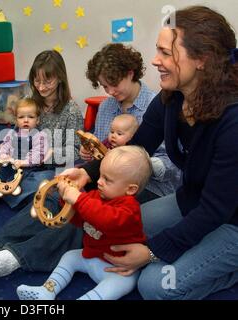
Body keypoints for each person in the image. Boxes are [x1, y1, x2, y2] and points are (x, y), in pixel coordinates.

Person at [64, 6, 238, 299]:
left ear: (202, 59)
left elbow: (216, 209)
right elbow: (136, 149)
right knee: (122, 229)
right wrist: (87, 172)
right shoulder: (171, 98)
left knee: (154, 284)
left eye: (165, 53)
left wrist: (154, 251)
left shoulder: (233, 120)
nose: (155, 60)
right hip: (192, 201)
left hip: (231, 220)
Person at [0, 50, 84, 277]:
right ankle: (11, 190)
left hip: (44, 168)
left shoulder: (71, 110)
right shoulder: (32, 100)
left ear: (59, 77)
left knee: (49, 186)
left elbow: (75, 150)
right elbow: (15, 131)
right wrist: (7, 155)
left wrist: (46, 154)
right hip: (19, 161)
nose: (41, 86)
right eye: (36, 80)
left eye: (47, 80)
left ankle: (5, 190)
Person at [17, 146, 152, 300]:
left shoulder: (130, 208)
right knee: (69, 257)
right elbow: (80, 220)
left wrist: (79, 199)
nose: (99, 182)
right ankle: (47, 291)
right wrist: (66, 200)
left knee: (121, 284)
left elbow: (106, 220)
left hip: (118, 269)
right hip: (91, 255)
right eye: (100, 175)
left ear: (130, 189)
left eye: (107, 179)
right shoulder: (96, 196)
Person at [81, 43, 181, 203]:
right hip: (109, 182)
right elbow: (101, 147)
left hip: (151, 186)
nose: (110, 92)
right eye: (105, 86)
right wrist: (90, 151)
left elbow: (172, 165)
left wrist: (133, 164)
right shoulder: (106, 107)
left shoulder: (157, 105)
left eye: (114, 84)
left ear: (130, 73)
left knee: (104, 208)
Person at [0, 97, 51, 209]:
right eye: (21, 117)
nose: (26, 120)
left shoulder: (40, 136)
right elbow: (4, 147)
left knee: (28, 180)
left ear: (37, 120)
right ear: (16, 120)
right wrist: (4, 157)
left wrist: (23, 162)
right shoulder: (11, 133)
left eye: (30, 117)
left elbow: (38, 154)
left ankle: (11, 193)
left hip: (27, 168)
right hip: (10, 163)